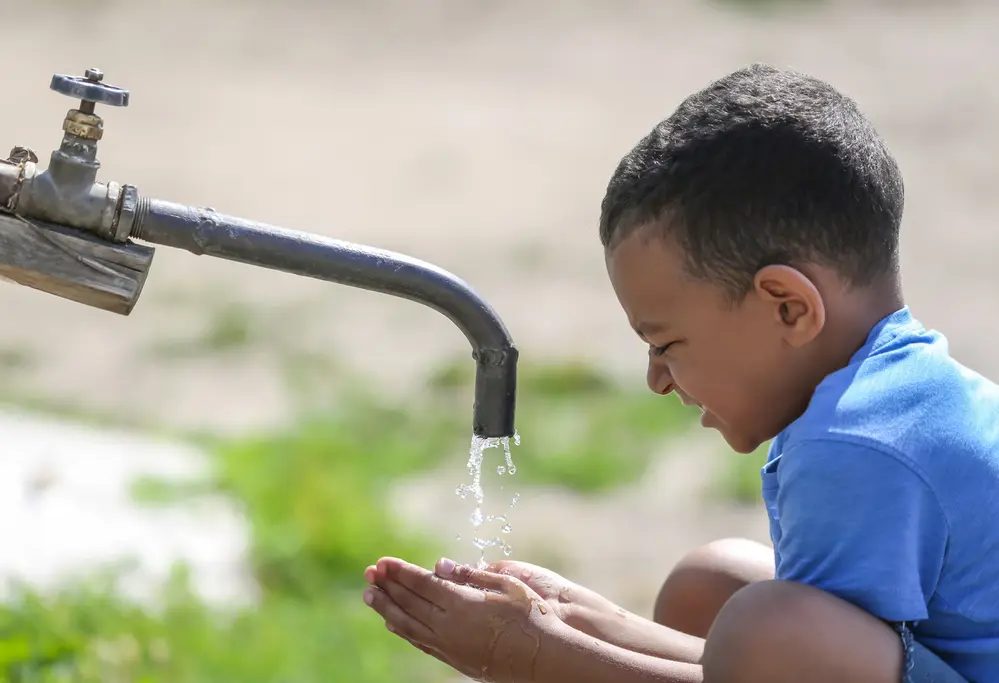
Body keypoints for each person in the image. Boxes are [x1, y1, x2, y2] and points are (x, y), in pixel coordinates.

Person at [361, 63, 999, 682]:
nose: (657, 380)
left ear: (788, 306)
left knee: (764, 625)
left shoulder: (854, 447)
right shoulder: (898, 397)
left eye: (665, 343)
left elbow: (781, 657)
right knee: (711, 588)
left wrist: (535, 658)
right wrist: (581, 622)